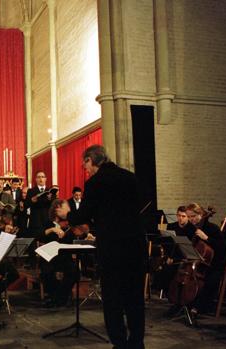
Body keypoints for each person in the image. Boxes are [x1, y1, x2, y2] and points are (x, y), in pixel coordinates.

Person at [68, 145, 146, 349]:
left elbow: (82, 215)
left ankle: (119, 343)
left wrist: (67, 214)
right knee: (135, 297)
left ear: (90, 160)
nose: (85, 169)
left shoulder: (95, 182)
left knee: (113, 299)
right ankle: (137, 343)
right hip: (136, 246)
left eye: (85, 164)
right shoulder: (130, 177)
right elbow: (140, 205)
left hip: (112, 248)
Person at [25, 171, 55, 239]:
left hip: (48, 220)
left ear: (46, 179)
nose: (41, 179)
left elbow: (54, 205)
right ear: (36, 179)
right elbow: (26, 204)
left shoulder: (50, 191)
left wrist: (50, 199)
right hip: (36, 220)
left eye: (42, 177)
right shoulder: (31, 191)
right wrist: (31, 200)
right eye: (38, 177)